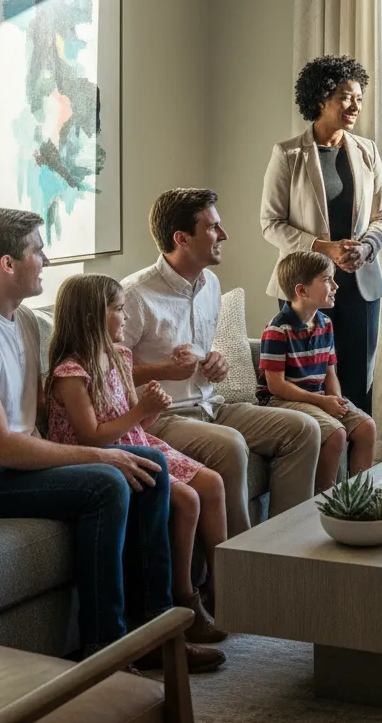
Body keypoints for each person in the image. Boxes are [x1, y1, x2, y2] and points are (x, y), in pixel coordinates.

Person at [0, 209, 173, 664]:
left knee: (151, 467)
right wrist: (98, 456)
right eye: (37, 249)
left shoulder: (26, 322)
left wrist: (113, 429)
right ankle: (105, 647)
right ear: (7, 265)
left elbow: (45, 403)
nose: (47, 259)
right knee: (107, 482)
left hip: (7, 465)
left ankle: (153, 632)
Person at [45, 273, 228, 671]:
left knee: (203, 485)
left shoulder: (119, 356)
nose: (126, 318)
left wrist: (150, 405)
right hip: (99, 452)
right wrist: (142, 410)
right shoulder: (71, 374)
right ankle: (174, 610)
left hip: (133, 440)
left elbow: (131, 413)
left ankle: (185, 607)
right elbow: (92, 436)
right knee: (185, 496)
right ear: (94, 316)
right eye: (118, 310)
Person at [121, 188, 321, 539]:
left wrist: (218, 361)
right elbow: (105, 373)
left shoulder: (210, 283)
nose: (224, 235)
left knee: (304, 430)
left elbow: (205, 348)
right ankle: (242, 569)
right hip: (161, 418)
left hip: (212, 405)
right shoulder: (134, 295)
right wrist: (164, 371)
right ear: (182, 238)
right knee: (230, 446)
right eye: (213, 228)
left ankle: (285, 546)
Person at [260, 54, 382, 414]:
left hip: (359, 285)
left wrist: (365, 249)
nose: (355, 106)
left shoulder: (368, 152)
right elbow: (270, 222)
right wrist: (322, 248)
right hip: (305, 287)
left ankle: (356, 472)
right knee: (309, 384)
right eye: (346, 97)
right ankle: (317, 468)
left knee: (356, 387)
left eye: (359, 98)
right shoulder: (288, 154)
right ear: (321, 99)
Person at [257, 252, 377, 491]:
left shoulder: (325, 324)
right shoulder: (278, 330)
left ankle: (358, 497)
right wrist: (322, 404)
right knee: (336, 434)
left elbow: (329, 372)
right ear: (302, 291)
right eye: (326, 280)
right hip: (282, 401)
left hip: (318, 397)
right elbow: (276, 386)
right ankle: (326, 504)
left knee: (366, 427)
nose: (335, 285)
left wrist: (336, 400)